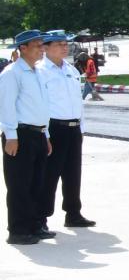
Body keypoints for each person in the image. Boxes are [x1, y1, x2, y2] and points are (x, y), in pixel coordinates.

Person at [1, 30, 54, 245]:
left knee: (37, 183)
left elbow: (42, 106)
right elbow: (6, 106)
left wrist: (46, 134)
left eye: (42, 45)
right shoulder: (12, 73)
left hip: (38, 133)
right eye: (37, 45)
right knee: (19, 185)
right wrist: (10, 136)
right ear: (22, 48)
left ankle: (34, 225)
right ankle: (18, 230)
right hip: (20, 135)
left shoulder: (38, 72)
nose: (42, 49)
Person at [40, 30, 95, 230]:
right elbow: (41, 105)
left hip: (73, 128)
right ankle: (41, 217)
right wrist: (45, 134)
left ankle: (73, 213)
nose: (65, 47)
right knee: (49, 175)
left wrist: (82, 127)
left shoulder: (71, 70)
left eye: (66, 44)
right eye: (59, 44)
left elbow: (77, 101)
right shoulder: (40, 72)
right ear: (45, 48)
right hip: (54, 128)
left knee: (73, 173)